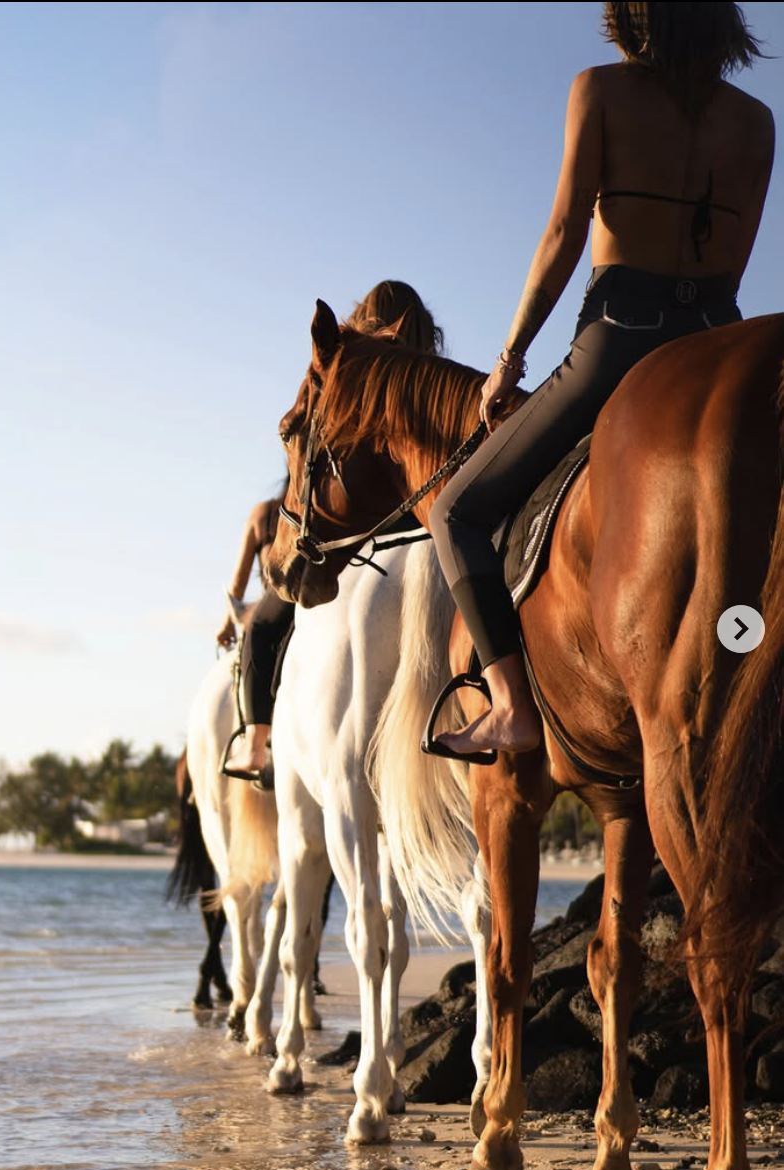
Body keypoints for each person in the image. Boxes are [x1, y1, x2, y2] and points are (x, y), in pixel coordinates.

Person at [426, 0, 774, 759]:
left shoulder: (600, 90)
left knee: (455, 512)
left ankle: (511, 708)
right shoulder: (756, 121)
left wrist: (510, 359)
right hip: (718, 337)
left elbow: (563, 233)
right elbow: (736, 264)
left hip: (621, 341)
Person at [222, 279, 446, 778]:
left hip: (360, 538)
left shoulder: (351, 388)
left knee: (264, 624)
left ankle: (255, 745)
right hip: (429, 528)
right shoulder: (434, 389)